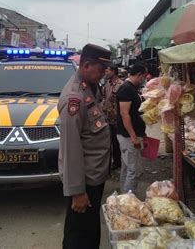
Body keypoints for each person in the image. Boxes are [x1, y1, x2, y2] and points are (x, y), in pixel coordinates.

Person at [58, 43, 112, 249]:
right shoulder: (74, 98)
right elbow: (70, 149)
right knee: (79, 237)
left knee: (89, 232)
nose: (103, 74)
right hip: (84, 183)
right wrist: (77, 192)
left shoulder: (89, 88)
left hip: (93, 178)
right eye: (101, 70)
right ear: (87, 66)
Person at [116, 63, 147, 194]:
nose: (144, 80)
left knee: (127, 168)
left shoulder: (132, 88)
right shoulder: (126, 89)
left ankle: (123, 198)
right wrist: (134, 136)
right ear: (139, 75)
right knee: (134, 170)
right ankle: (128, 200)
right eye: (144, 77)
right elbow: (124, 114)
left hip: (130, 135)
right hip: (128, 136)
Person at [102, 65, 124, 169]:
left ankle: (118, 162)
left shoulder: (120, 85)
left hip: (117, 119)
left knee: (117, 142)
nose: (105, 72)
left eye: (107, 70)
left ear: (114, 72)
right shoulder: (107, 84)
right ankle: (113, 162)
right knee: (109, 142)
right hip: (107, 118)